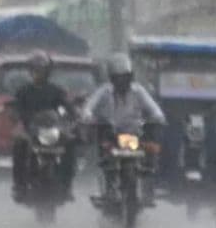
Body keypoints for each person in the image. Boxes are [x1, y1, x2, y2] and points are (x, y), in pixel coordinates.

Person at [82, 54, 167, 202]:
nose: (122, 82)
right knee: (103, 144)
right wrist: (88, 117)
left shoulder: (138, 91)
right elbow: (89, 106)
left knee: (152, 139)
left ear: (130, 77)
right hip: (111, 132)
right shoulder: (104, 91)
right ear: (112, 79)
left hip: (134, 133)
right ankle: (109, 185)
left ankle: (148, 174)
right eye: (118, 78)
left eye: (125, 77)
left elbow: (154, 109)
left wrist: (157, 117)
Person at [10, 51, 77, 202]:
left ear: (48, 72)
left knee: (70, 143)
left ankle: (66, 185)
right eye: (35, 70)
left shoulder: (56, 91)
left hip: (53, 131)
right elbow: (15, 109)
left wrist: (72, 116)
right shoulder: (23, 92)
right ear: (30, 71)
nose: (38, 73)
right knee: (19, 145)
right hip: (31, 131)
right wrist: (17, 117)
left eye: (41, 70)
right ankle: (20, 185)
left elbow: (67, 107)